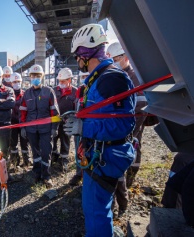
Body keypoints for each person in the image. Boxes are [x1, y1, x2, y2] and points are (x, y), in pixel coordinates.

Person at [64, 23, 136, 237]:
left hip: (106, 155)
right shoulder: (99, 78)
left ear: (85, 53)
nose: (78, 61)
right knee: (96, 208)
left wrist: (83, 126)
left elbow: (123, 124)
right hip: (98, 152)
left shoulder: (110, 78)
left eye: (78, 56)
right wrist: (80, 118)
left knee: (96, 211)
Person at [107, 42, 148, 214]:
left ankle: (129, 180)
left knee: (130, 150)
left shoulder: (135, 77)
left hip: (130, 125)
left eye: (115, 60)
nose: (114, 63)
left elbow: (141, 106)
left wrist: (129, 130)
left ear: (125, 57)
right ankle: (120, 192)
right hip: (119, 125)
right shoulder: (118, 76)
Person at [20, 64, 60, 188]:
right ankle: (37, 173)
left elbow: (55, 111)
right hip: (31, 129)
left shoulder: (49, 91)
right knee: (35, 152)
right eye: (33, 76)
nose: (35, 77)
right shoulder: (27, 93)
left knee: (46, 152)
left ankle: (46, 176)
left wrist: (54, 128)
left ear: (42, 76)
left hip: (46, 128)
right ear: (30, 77)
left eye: (38, 75)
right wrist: (23, 127)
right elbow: (23, 111)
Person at [52, 68, 77, 172]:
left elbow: (77, 107)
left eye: (63, 81)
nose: (61, 83)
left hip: (68, 121)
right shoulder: (54, 90)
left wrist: (74, 119)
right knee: (53, 138)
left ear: (69, 80)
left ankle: (64, 159)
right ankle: (54, 155)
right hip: (55, 121)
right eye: (59, 81)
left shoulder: (75, 91)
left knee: (65, 140)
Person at [9, 72, 30, 167]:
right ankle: (15, 161)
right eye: (14, 82)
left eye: (18, 81)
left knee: (24, 143)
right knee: (13, 143)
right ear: (11, 83)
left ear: (21, 82)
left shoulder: (25, 94)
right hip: (12, 123)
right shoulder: (8, 94)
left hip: (23, 123)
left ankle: (26, 160)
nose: (16, 83)